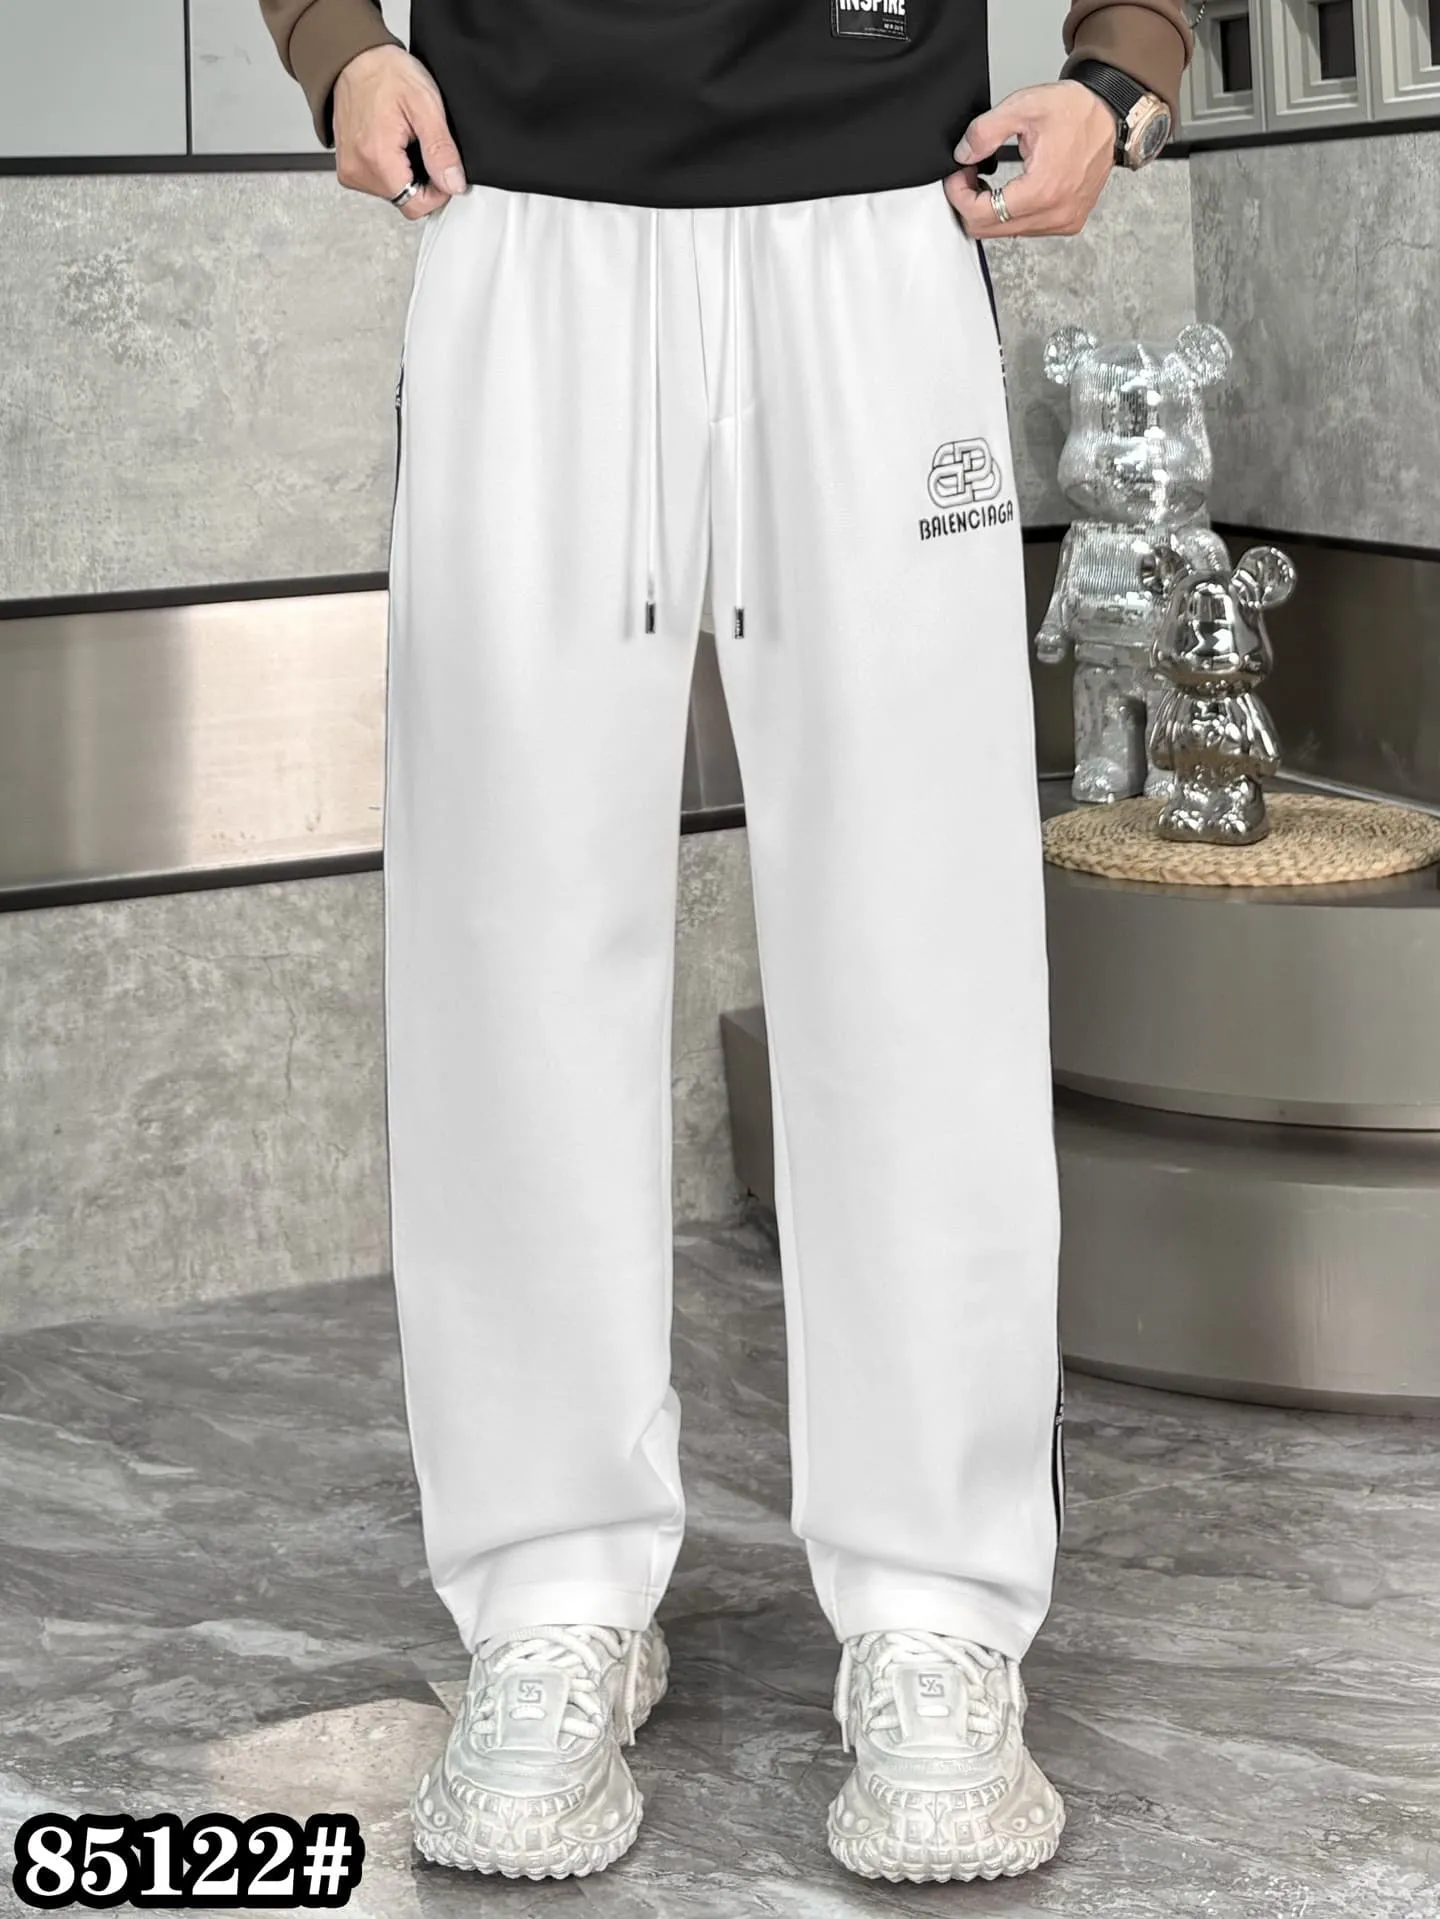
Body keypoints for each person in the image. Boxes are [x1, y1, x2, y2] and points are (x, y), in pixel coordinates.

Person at [261, 0, 1191, 1885]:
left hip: (879, 217)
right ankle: (550, 1593)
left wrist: (1130, 73)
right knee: (510, 935)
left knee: (917, 943)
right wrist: (334, 42)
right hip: (522, 216)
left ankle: (937, 1611)